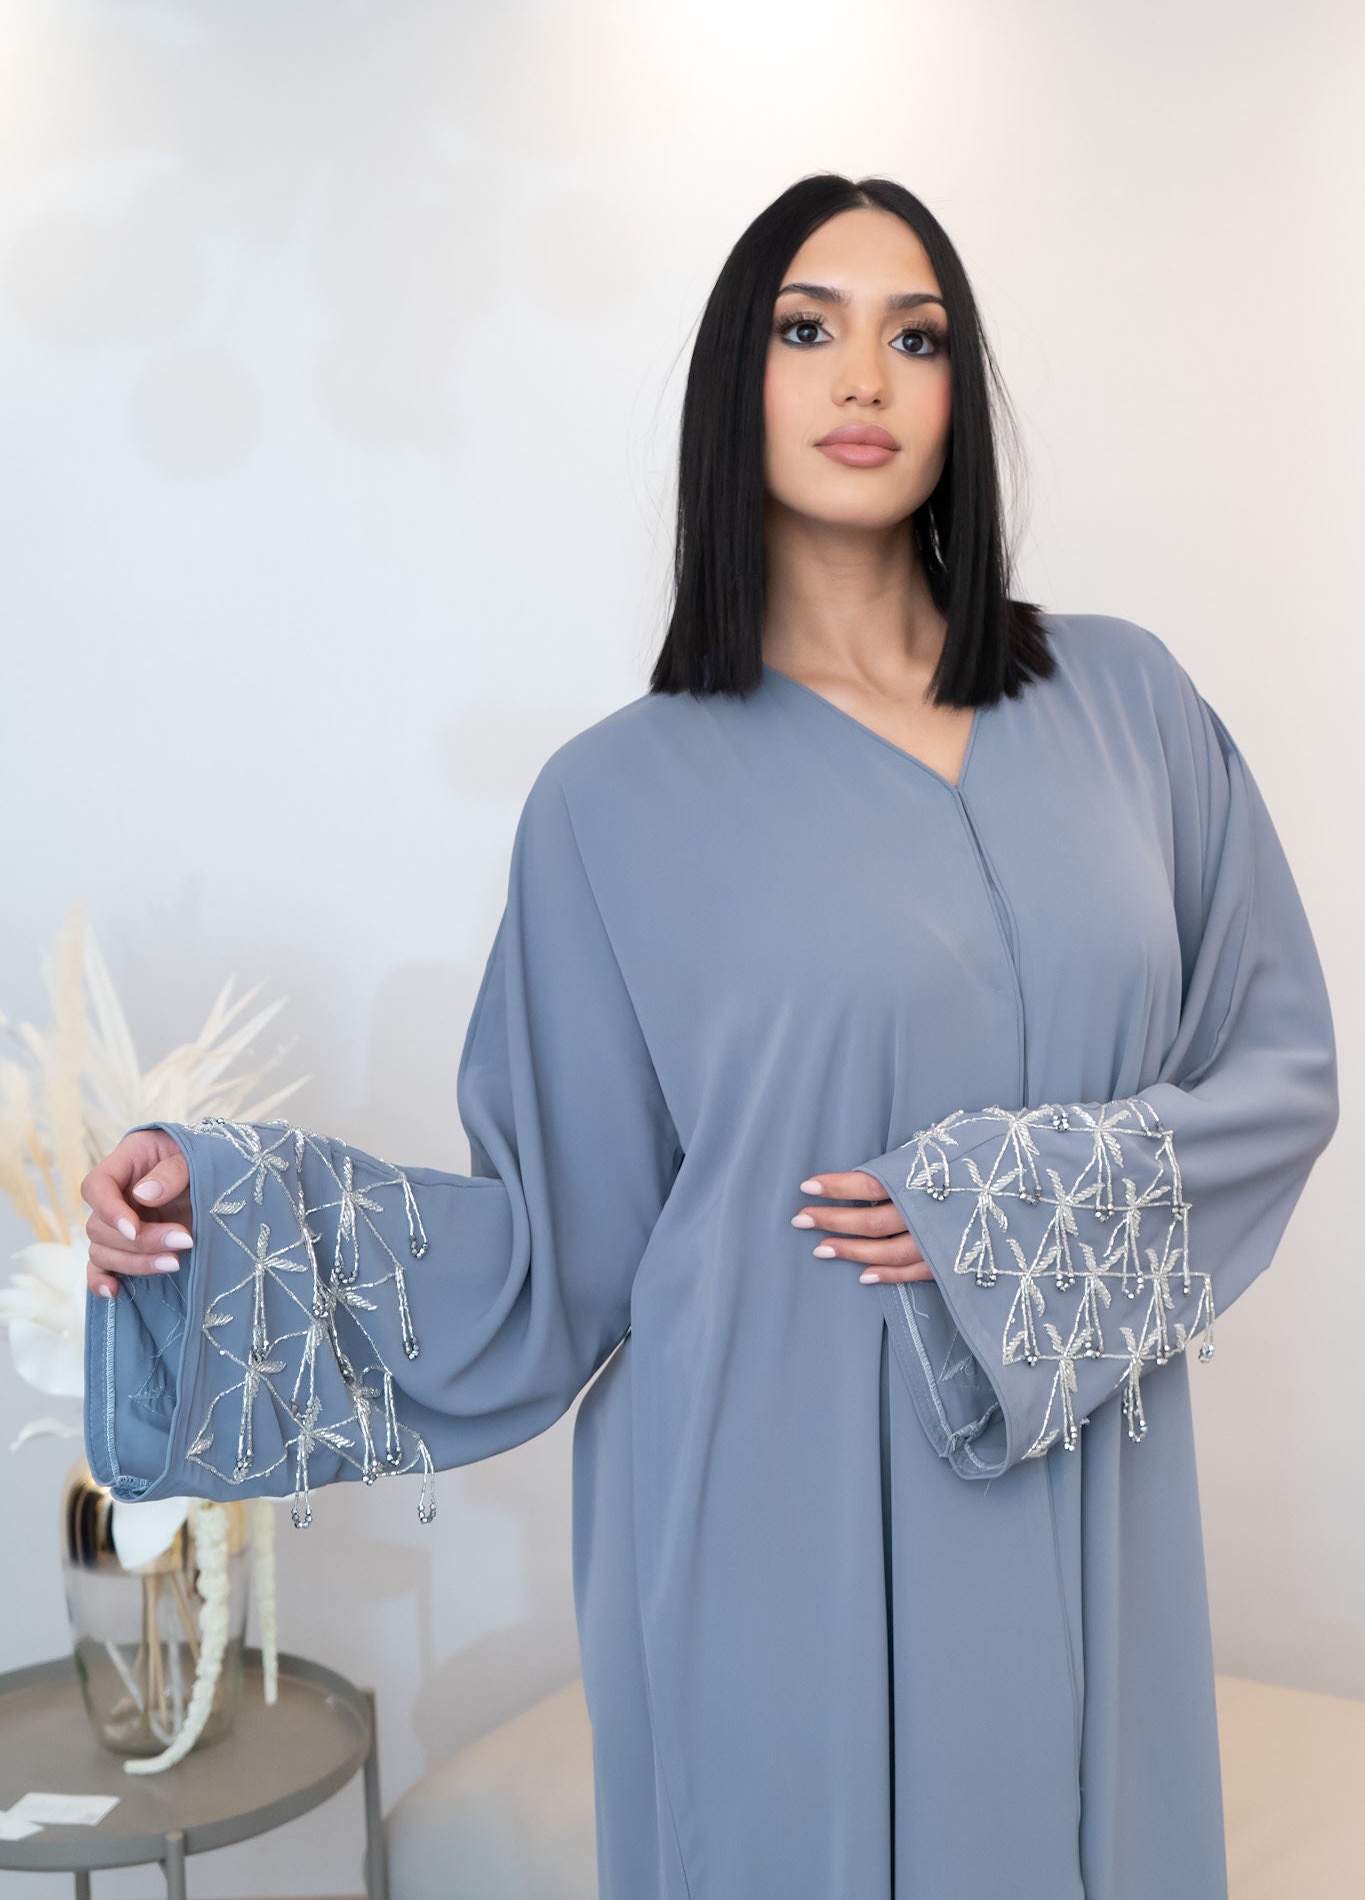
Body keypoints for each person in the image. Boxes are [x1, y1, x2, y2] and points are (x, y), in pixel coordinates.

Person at [81, 175, 1339, 1900]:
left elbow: (1275, 1070)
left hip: (1084, 1498)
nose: (862, 378)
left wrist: (1008, 1202)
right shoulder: (612, 801)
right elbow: (552, 1254)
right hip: (764, 1519)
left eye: (916, 339)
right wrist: (211, 1215)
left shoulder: (1128, 706)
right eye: (807, 330)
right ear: (733, 380)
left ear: (960, 398)